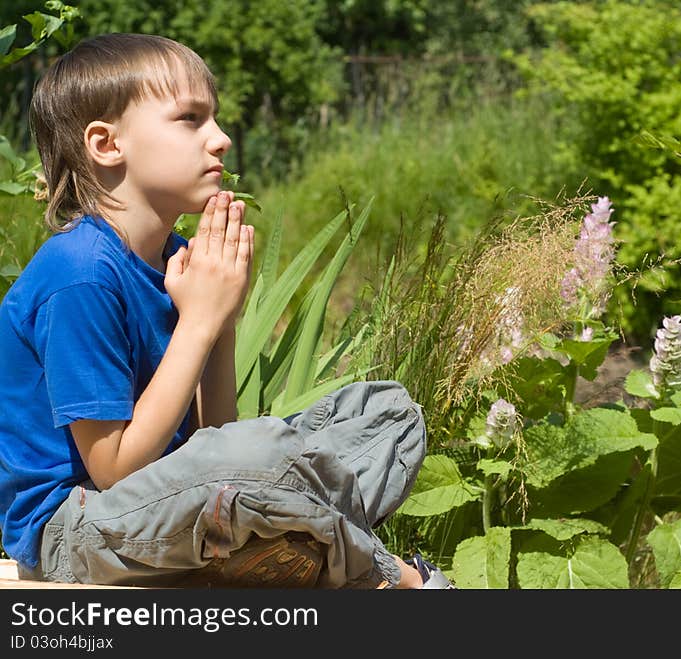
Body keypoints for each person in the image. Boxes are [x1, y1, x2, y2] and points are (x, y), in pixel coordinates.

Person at [0, 33, 453, 590]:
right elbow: (115, 472)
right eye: (190, 119)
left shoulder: (175, 261)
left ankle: (286, 539)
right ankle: (397, 581)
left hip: (172, 501)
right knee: (260, 455)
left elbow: (212, 435)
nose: (221, 138)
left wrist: (222, 323)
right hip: (78, 531)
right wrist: (199, 322)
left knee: (387, 415)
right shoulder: (80, 274)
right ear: (105, 143)